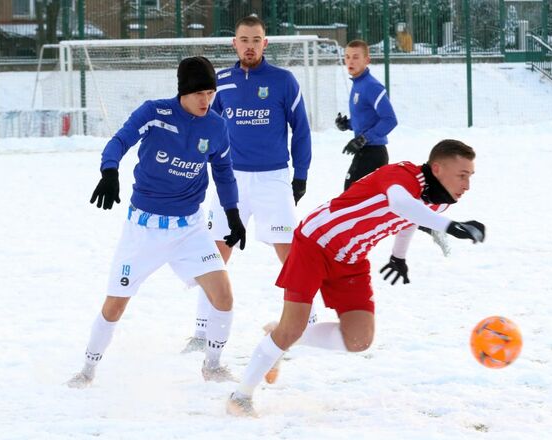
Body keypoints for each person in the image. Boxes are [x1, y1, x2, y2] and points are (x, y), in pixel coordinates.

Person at [226, 139, 486, 416]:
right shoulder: (402, 175)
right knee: (292, 327)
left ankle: (279, 335)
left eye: (470, 176)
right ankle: (240, 397)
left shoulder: (440, 200)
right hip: (315, 242)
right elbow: (401, 203)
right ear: (437, 168)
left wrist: (399, 256)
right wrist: (450, 227)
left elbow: (412, 217)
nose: (467, 185)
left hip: (351, 257)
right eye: (462, 175)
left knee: (359, 339)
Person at [67, 56, 246, 388]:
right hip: (143, 230)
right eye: (199, 94)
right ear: (183, 92)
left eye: (210, 92)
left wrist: (233, 214)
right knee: (115, 305)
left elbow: (223, 171)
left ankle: (213, 366)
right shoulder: (155, 113)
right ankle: (87, 371)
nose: (206, 100)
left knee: (223, 295)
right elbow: (120, 140)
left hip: (190, 229)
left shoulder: (217, 126)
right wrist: (109, 170)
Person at [181, 15, 315, 354]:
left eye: (256, 40)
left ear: (265, 43)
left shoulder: (284, 81)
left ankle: (309, 324)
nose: (250, 46)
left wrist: (300, 175)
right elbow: (204, 126)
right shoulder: (220, 82)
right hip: (232, 181)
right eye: (244, 39)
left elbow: (301, 130)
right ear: (234, 43)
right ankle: (201, 331)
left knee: (290, 255)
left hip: (273, 179)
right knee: (214, 254)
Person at [335, 39, 398, 191]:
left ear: (367, 60)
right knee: (360, 202)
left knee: (350, 198)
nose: (350, 61)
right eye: (347, 57)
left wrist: (363, 139)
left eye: (356, 57)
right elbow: (367, 119)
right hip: (366, 151)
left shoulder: (371, 86)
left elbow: (390, 120)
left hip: (373, 153)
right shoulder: (358, 84)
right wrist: (348, 124)